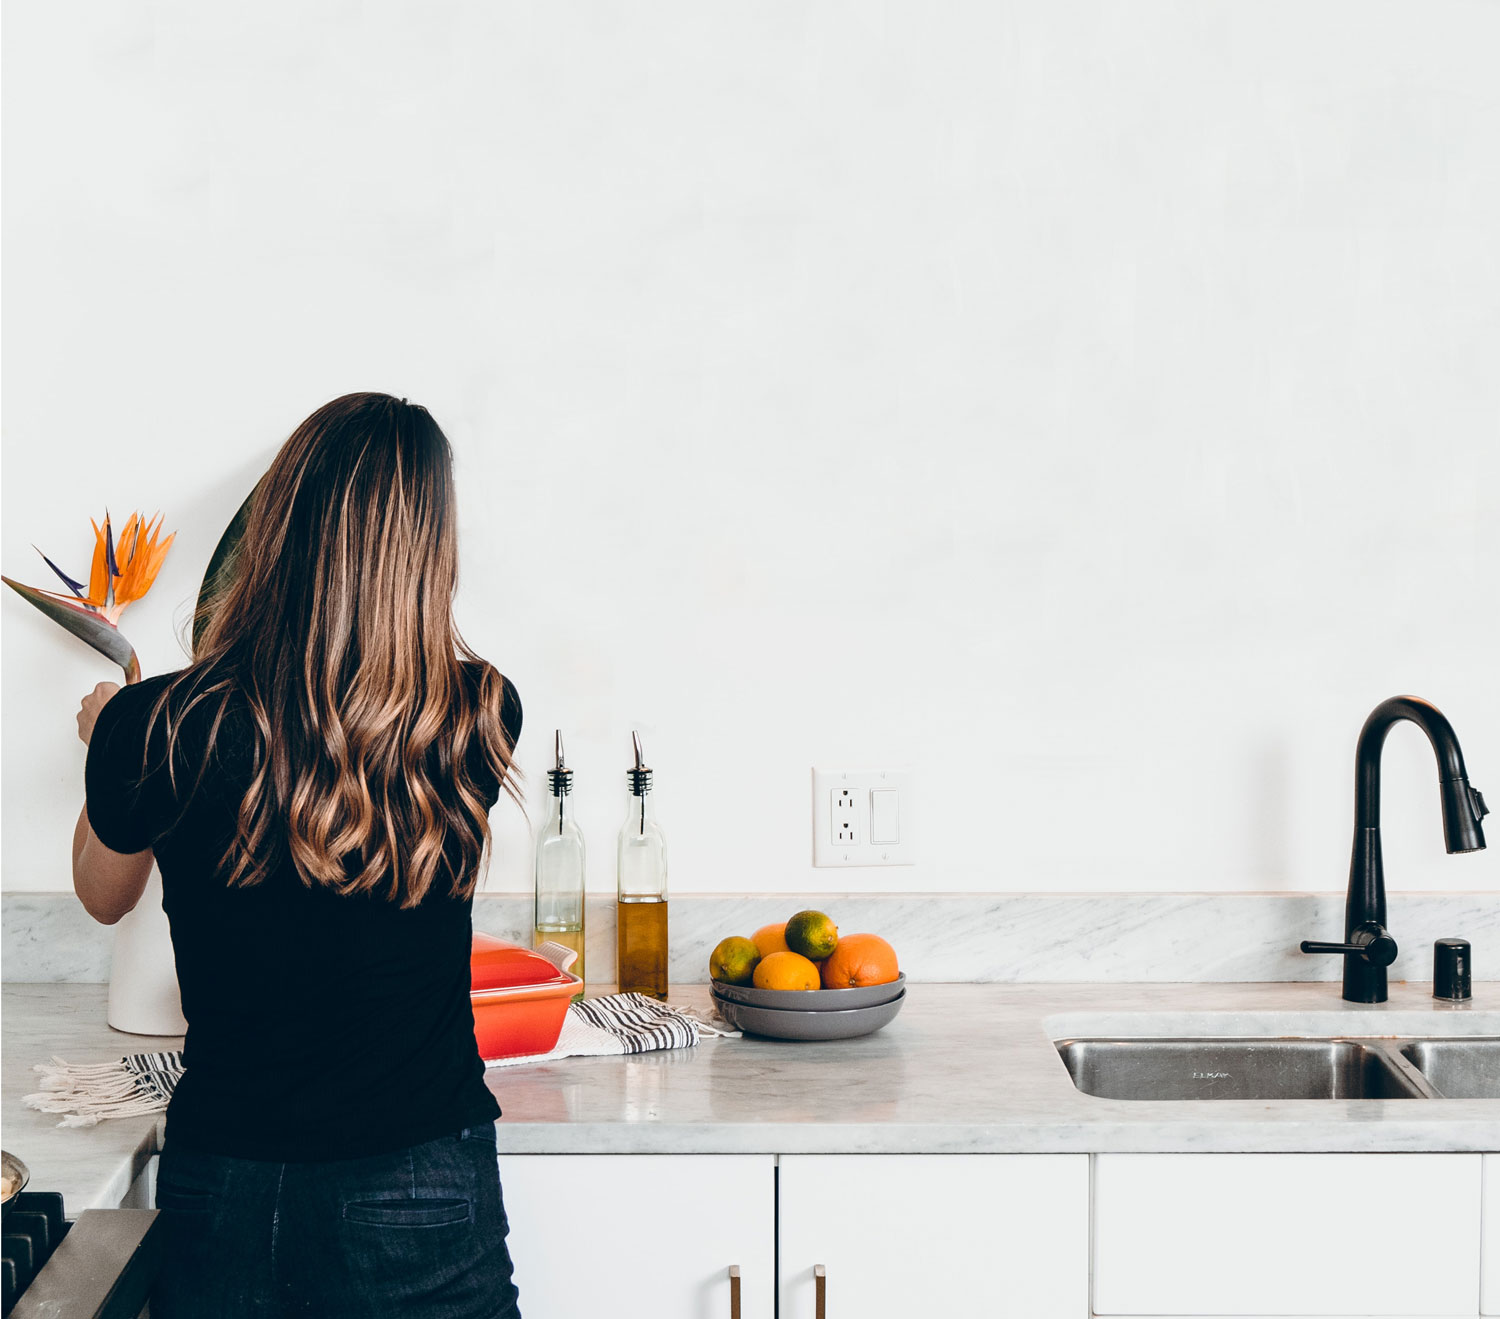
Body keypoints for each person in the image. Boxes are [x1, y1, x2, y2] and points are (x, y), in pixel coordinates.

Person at [73, 392, 524, 1318]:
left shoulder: (157, 723)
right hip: (419, 1178)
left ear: (274, 525)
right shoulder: (478, 713)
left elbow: (101, 893)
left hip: (224, 1181)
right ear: (427, 555)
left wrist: (109, 747)